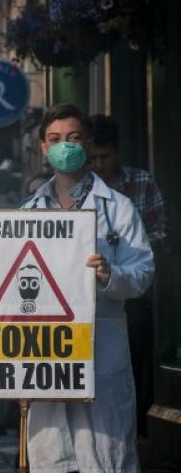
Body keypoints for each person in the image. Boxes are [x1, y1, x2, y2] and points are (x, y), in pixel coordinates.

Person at [23, 104, 154, 473]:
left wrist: (109, 274)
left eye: (74, 138)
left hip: (101, 342)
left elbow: (143, 273)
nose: (66, 147)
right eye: (56, 139)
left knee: (104, 450)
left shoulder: (116, 208)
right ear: (44, 147)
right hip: (47, 347)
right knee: (55, 445)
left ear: (87, 143)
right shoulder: (27, 214)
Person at [88, 114, 167, 439]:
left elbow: (160, 235)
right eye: (92, 157)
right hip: (86, 299)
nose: (99, 164)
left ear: (117, 152)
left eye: (105, 157)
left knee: (133, 370)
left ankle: (131, 441)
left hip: (132, 296)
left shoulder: (140, 183)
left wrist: (125, 250)